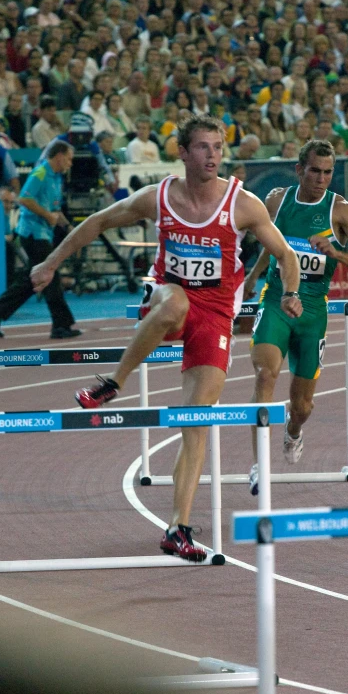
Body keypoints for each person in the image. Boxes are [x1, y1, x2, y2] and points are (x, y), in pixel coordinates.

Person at [31, 115, 302, 561]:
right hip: (166, 297)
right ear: (182, 152)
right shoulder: (159, 198)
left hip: (215, 313)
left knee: (196, 422)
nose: (212, 155)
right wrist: (52, 263)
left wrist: (290, 292)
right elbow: (98, 221)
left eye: (217, 146)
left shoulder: (241, 203)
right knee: (175, 303)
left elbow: (286, 255)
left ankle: (178, 528)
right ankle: (113, 383)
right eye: (202, 147)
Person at [243, 139, 348, 495]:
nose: (321, 179)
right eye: (315, 171)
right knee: (265, 373)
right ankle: (259, 465)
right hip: (275, 300)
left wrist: (336, 252)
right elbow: (270, 245)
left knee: (301, 405)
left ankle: (293, 430)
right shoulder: (276, 200)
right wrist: (255, 275)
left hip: (314, 312)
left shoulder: (342, 212)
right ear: (299, 169)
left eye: (328, 172)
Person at [0, 139, 81, 340]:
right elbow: (25, 199)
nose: (71, 163)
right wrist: (46, 215)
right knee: (49, 275)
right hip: (32, 233)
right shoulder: (41, 173)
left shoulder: (56, 178)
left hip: (43, 233)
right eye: (69, 159)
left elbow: (55, 208)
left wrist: (69, 227)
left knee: (32, 279)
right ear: (59, 156)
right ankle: (61, 324)